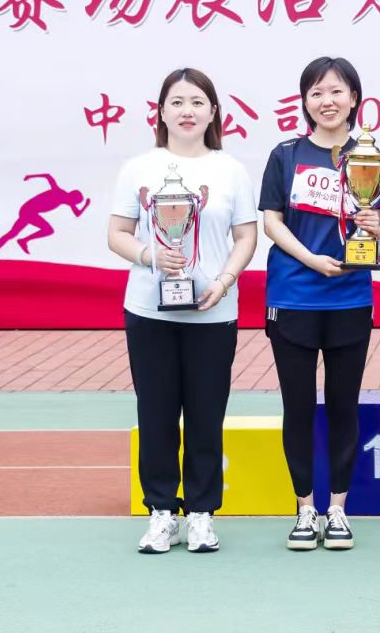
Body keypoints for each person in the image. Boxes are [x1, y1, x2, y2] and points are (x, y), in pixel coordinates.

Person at [107, 68, 258, 553]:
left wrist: (224, 281)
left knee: (206, 415)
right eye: (177, 102)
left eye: (197, 102)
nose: (187, 111)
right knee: (156, 413)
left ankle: (201, 513)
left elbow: (246, 236)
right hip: (149, 312)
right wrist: (149, 255)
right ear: (161, 112)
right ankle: (160, 512)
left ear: (213, 112)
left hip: (213, 312)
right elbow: (117, 234)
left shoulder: (230, 170)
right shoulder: (138, 168)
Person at [259, 57, 380, 551]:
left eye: (336, 91)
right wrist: (310, 259)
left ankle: (338, 510)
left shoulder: (370, 156)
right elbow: (271, 221)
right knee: (298, 406)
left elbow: (373, 224)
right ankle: (305, 509)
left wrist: (373, 228)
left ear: (354, 98)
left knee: (344, 405)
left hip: (350, 297)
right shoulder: (286, 155)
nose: (326, 101)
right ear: (305, 101)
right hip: (293, 296)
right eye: (316, 92)